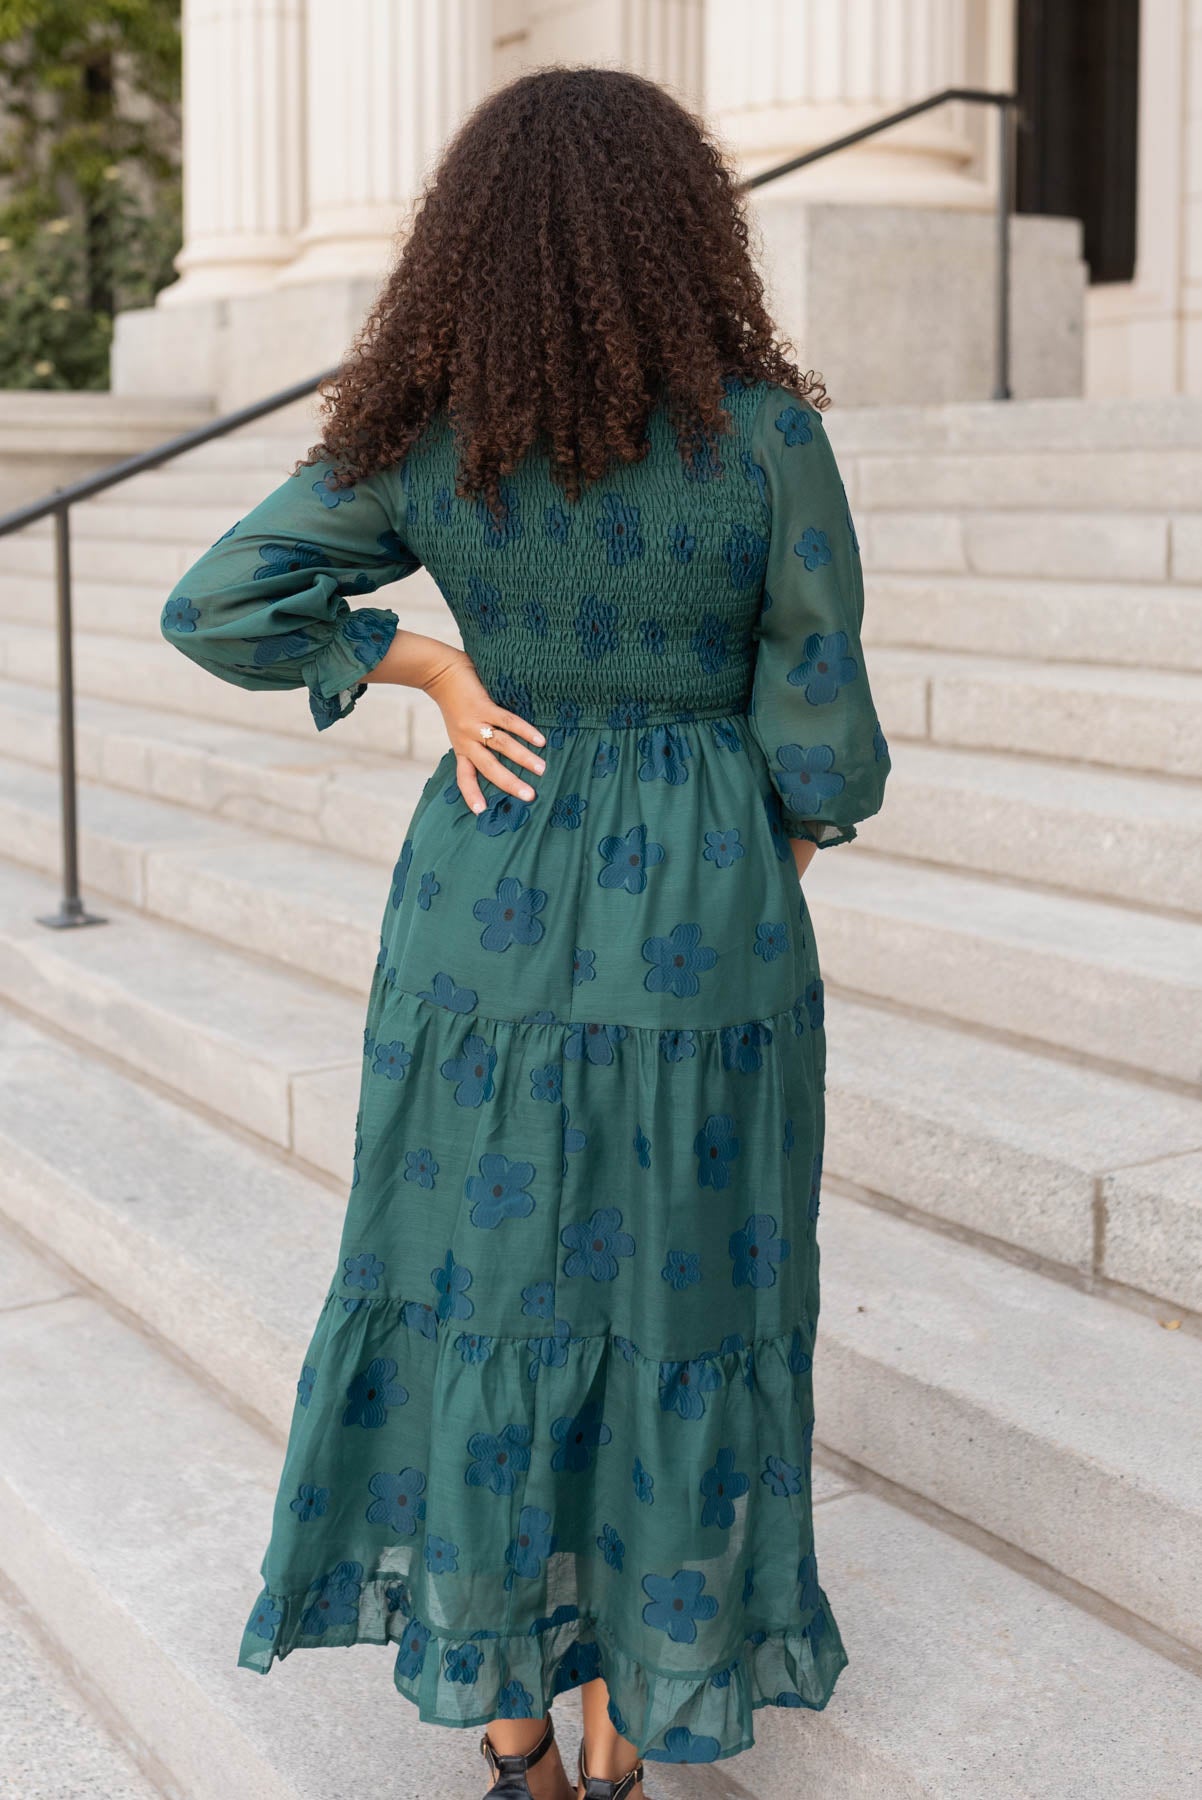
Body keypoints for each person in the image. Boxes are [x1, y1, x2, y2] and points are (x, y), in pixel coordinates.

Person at [161, 62, 889, 1800]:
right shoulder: (765, 441)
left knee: (476, 1288)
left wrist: (422, 665)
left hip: (484, 892)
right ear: (686, 230)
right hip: (706, 922)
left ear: (463, 251)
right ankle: (629, 1742)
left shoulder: (426, 436)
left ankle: (516, 1753)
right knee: (680, 1301)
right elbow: (822, 726)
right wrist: (758, 860)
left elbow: (218, 605)